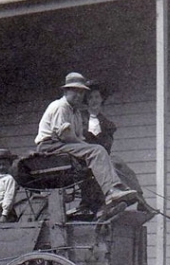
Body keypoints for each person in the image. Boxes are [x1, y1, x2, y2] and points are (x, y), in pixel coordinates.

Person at [34, 72, 136, 219]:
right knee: (97, 151)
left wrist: (88, 148)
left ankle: (100, 203)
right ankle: (111, 192)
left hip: (62, 146)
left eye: (81, 92)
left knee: (98, 160)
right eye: (75, 91)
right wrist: (90, 148)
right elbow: (65, 135)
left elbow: (78, 137)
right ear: (65, 91)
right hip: (50, 146)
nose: (78, 95)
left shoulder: (75, 112)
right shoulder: (60, 106)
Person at [78, 80, 154, 215]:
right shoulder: (79, 119)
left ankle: (140, 200)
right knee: (112, 162)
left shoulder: (106, 124)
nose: (94, 100)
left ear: (102, 99)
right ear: (86, 101)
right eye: (90, 98)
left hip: (102, 158)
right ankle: (110, 201)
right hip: (83, 159)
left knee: (121, 165)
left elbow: (107, 145)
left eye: (97, 97)